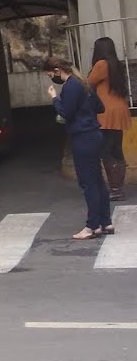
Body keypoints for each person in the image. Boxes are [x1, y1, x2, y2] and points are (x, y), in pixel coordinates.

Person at [46, 58, 112, 239]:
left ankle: (92, 226)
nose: (51, 77)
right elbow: (100, 106)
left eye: (50, 74)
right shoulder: (84, 83)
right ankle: (105, 222)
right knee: (97, 179)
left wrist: (54, 98)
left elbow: (65, 112)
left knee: (88, 182)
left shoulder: (70, 86)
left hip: (83, 137)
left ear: (57, 70)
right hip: (94, 134)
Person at [87, 37, 132, 201]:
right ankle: (118, 188)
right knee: (116, 148)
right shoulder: (116, 64)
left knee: (105, 150)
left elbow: (88, 82)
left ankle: (114, 189)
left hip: (106, 112)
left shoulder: (101, 65)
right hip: (119, 109)